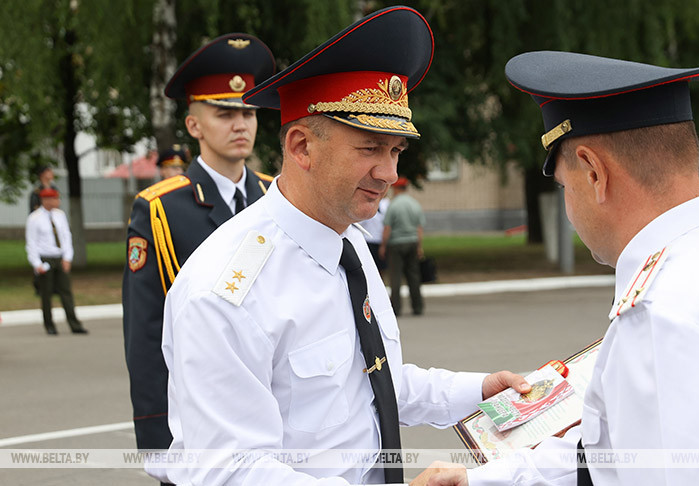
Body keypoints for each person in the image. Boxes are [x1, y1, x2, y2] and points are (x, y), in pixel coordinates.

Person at [413, 51, 699, 486]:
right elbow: (613, 448)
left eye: (565, 185)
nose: (568, 206)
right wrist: (485, 479)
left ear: (594, 172)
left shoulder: (666, 310)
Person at [160, 8, 529, 485]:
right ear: (300, 147)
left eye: (396, 151)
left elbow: (373, 381)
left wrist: (480, 391)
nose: (389, 174)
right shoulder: (225, 289)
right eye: (369, 148)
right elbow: (231, 471)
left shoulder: (348, 246)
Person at [121, 33, 276, 484]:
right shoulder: (160, 209)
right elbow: (146, 332)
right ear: (193, 126)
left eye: (248, 112)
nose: (240, 124)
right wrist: (156, 439)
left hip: (276, 408)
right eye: (224, 113)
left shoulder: (278, 196)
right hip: (199, 418)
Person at [25, 188, 87, 335]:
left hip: (59, 257)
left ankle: (74, 324)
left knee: (66, 292)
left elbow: (66, 236)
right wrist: (36, 264)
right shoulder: (34, 218)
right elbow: (31, 243)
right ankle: (50, 325)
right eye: (54, 199)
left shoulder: (60, 215)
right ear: (45, 200)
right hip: (45, 258)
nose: (58, 202)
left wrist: (67, 258)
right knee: (46, 294)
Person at [380, 177, 426, 316]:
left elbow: (387, 227)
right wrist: (419, 246)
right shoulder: (415, 204)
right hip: (412, 242)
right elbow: (419, 228)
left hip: (396, 244)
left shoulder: (393, 205)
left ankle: (396, 308)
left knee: (396, 276)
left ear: (396, 188)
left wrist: (383, 245)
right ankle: (417, 307)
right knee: (413, 275)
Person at [359, 195, 390, 270]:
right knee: (369, 266)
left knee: (381, 267)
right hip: (369, 240)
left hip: (381, 240)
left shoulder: (387, 204)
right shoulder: (367, 204)